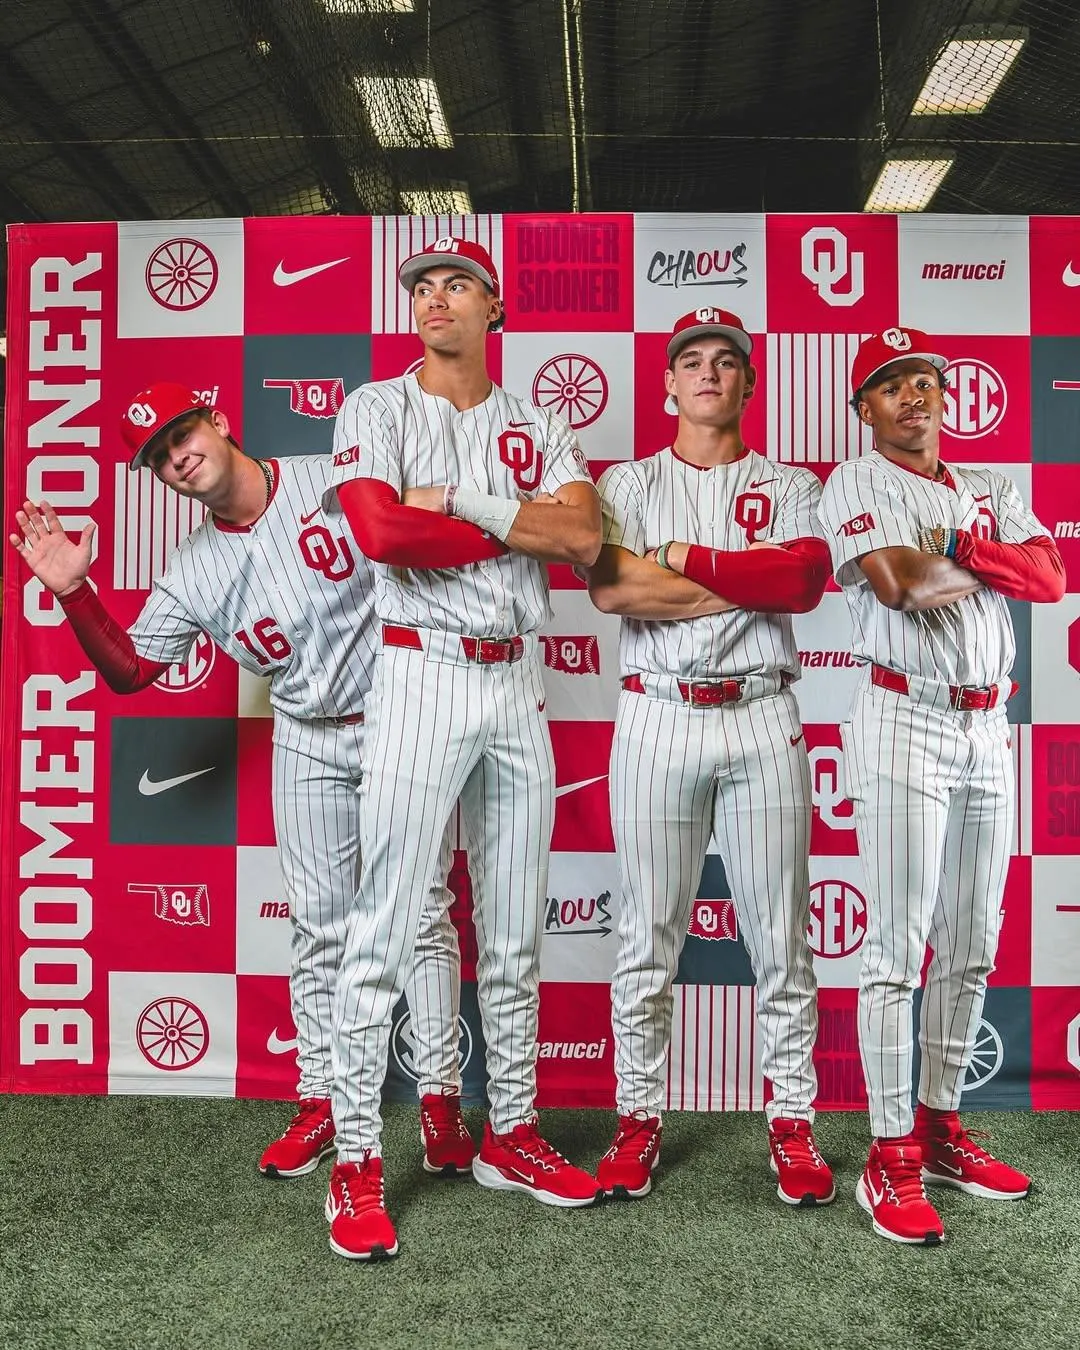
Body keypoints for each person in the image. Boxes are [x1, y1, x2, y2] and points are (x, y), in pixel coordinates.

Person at [9, 382, 473, 1182]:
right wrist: (74, 591)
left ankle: (440, 1099)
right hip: (304, 737)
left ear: (218, 422)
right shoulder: (193, 570)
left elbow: (431, 535)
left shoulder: (333, 476)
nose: (177, 458)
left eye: (182, 434)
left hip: (401, 721)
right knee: (319, 927)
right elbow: (130, 670)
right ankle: (322, 1099)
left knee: (423, 911)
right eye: (159, 457)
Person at [322, 236, 603, 1261]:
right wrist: (519, 527)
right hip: (421, 673)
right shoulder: (376, 407)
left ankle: (511, 1132)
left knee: (517, 928)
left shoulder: (540, 420)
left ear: (496, 307)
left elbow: (583, 540)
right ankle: (357, 1157)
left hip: (516, 680)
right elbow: (383, 535)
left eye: (457, 285)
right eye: (423, 287)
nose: (435, 299)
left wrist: (466, 507)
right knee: (386, 924)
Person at [818, 327, 1065, 1245]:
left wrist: (966, 546)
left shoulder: (990, 486)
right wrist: (994, 560)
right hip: (905, 717)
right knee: (897, 945)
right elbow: (899, 583)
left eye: (925, 379)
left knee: (973, 941)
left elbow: (1053, 577)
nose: (914, 395)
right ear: (865, 408)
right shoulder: (855, 481)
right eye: (892, 385)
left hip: (987, 724)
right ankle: (889, 1155)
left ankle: (940, 1127)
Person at [583, 307, 834, 1208]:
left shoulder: (792, 483)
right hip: (659, 715)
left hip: (762, 715)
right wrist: (742, 575)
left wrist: (683, 565)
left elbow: (800, 582)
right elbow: (613, 589)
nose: (708, 372)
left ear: (749, 383)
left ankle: (793, 1121)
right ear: (667, 384)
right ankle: (637, 1118)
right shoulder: (627, 481)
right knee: (647, 935)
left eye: (727, 361)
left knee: (781, 939)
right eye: (691, 360)